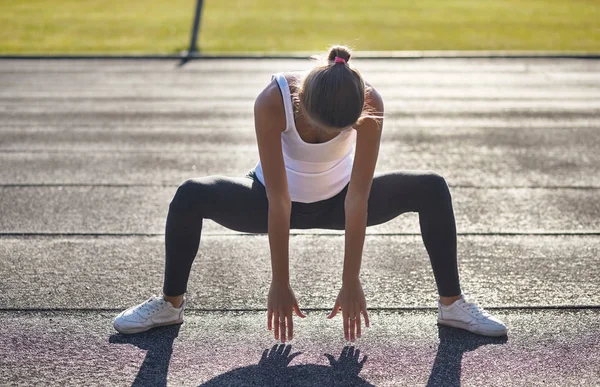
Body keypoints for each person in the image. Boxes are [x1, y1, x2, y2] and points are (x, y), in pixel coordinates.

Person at [113, 45, 507, 341]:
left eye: (343, 131)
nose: (333, 137)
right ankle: (169, 305)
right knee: (190, 195)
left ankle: (452, 306)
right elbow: (280, 199)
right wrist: (279, 283)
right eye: (325, 129)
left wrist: (351, 279)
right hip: (269, 199)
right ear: (301, 104)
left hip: (340, 200)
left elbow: (358, 197)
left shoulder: (369, 103)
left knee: (431, 187)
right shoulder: (273, 100)